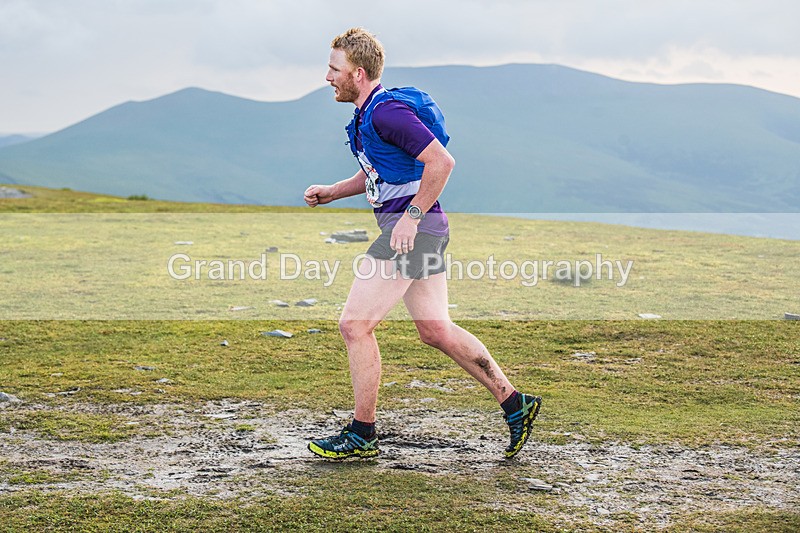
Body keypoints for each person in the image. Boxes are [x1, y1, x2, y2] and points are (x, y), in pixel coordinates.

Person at [304, 27, 541, 460]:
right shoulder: (366, 115)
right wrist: (334, 190)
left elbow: (441, 162)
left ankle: (362, 433)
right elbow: (378, 172)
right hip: (419, 231)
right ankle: (515, 403)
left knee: (354, 325)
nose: (327, 77)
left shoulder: (387, 113)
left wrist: (411, 217)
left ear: (357, 73)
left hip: (412, 233)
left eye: (334, 69)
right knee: (435, 330)